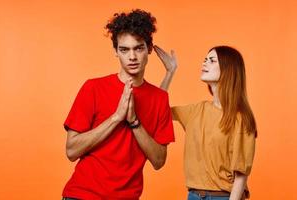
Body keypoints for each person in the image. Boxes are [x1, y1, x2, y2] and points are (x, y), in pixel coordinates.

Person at [62, 10, 174, 200]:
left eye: (138, 48)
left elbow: (159, 161)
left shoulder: (160, 98)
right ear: (115, 51)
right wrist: (116, 118)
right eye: (124, 49)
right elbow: (71, 151)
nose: (132, 57)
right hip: (82, 195)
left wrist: (134, 122)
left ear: (149, 48)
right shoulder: (93, 88)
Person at [154, 45, 257, 200]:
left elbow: (241, 177)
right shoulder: (195, 111)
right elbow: (156, 111)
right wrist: (170, 72)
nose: (204, 63)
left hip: (224, 197)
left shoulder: (241, 118)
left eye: (211, 60)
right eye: (205, 59)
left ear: (228, 69)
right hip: (194, 196)